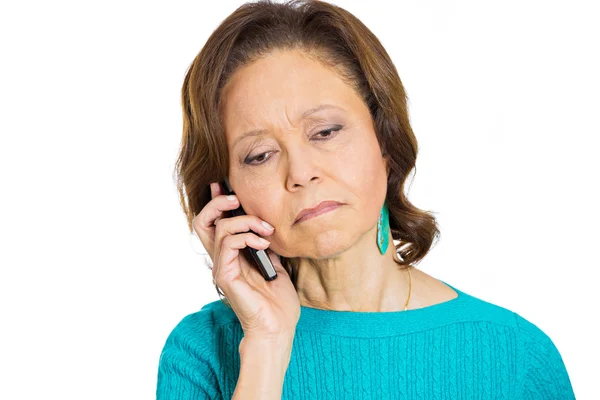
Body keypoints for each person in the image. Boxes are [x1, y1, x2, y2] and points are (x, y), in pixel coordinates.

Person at [156, 0, 576, 398]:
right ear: (229, 194)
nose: (301, 174)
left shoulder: (516, 356)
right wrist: (267, 343)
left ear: (385, 140)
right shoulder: (201, 354)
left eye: (325, 132)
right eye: (260, 155)